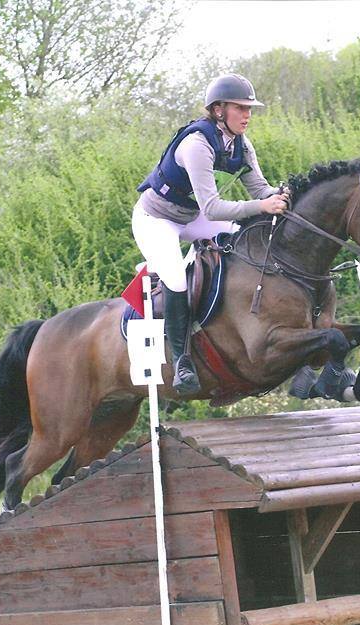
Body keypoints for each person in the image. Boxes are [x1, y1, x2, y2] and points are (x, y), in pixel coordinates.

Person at [134, 73, 289, 395]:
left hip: (192, 217)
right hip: (156, 218)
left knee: (245, 238)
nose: (247, 115)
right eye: (240, 108)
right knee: (175, 278)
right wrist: (262, 206)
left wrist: (284, 194)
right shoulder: (197, 146)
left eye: (250, 109)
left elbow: (259, 189)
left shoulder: (241, 146)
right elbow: (215, 208)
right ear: (218, 110)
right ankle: (181, 361)